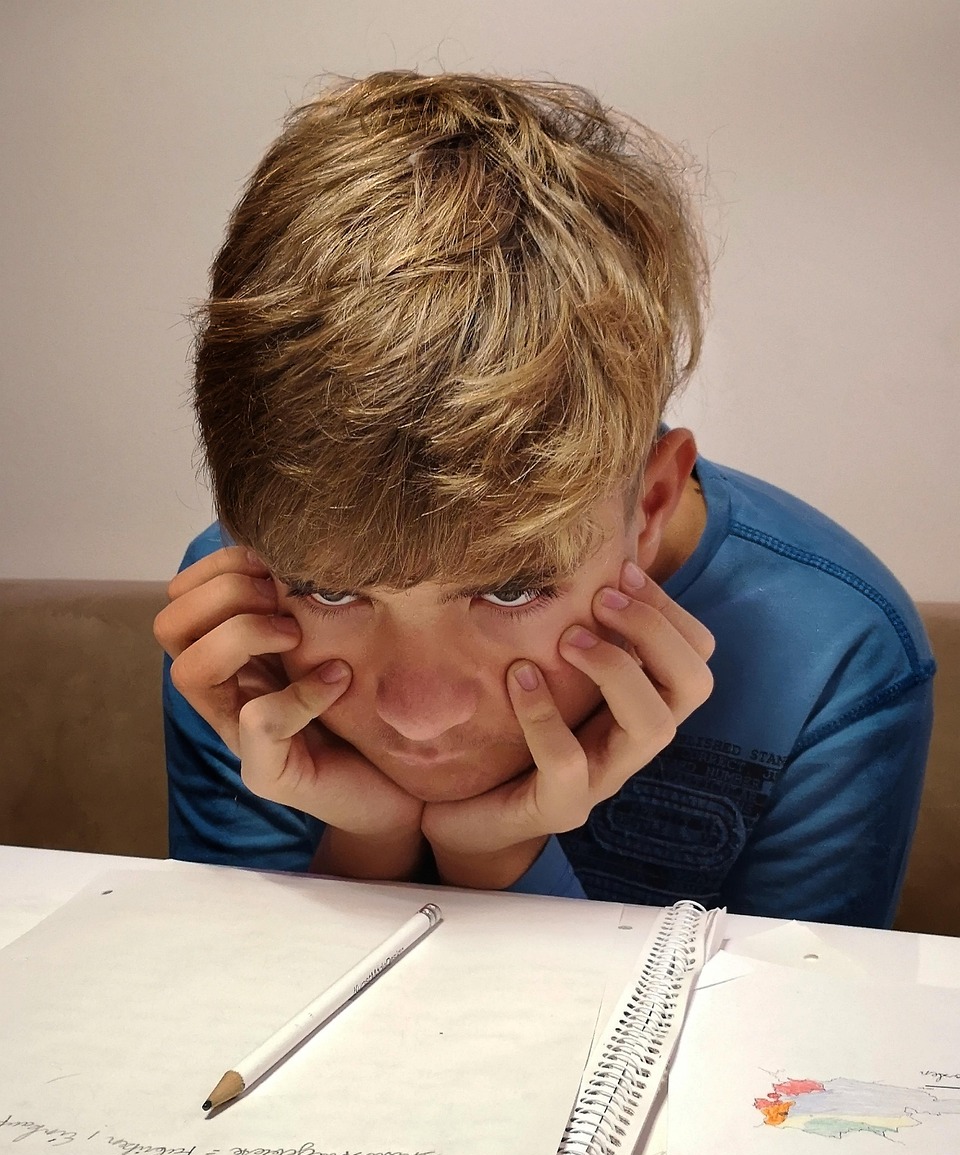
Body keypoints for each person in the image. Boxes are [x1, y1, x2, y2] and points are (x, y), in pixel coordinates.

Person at [155, 71, 934, 927]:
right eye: (332, 590)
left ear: (652, 499)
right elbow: (241, 1029)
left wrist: (498, 857)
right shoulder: (234, 625)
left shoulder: (835, 656)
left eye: (513, 588)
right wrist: (367, 842)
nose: (419, 718)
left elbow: (781, 1053)